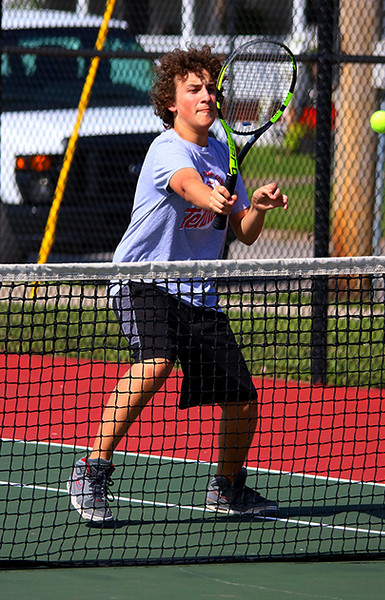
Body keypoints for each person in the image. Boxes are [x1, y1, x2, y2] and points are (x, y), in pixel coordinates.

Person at [67, 45, 288, 522]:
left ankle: (227, 488)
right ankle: (92, 468)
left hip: (197, 290)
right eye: (195, 89)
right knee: (156, 362)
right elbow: (188, 184)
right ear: (171, 102)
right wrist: (211, 196)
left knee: (242, 399)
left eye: (211, 88)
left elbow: (243, 232)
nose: (206, 95)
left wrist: (259, 208)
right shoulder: (167, 148)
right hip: (142, 279)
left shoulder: (224, 147)